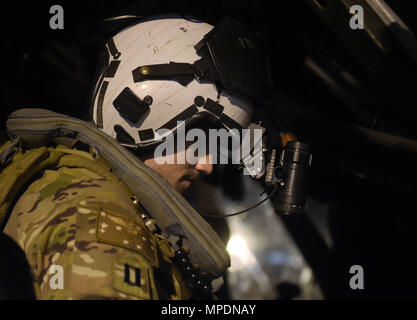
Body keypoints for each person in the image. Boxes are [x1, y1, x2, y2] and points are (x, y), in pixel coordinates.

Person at [0, 15, 265, 299]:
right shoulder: (99, 219)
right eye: (200, 143)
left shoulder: (77, 189)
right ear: (149, 115)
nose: (206, 165)